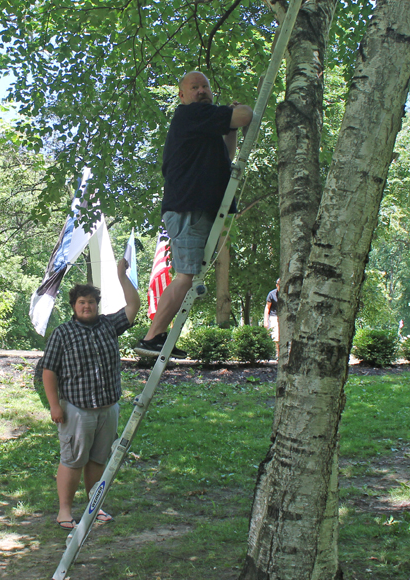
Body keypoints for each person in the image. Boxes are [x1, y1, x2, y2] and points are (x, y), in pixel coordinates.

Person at [135, 71, 253, 358]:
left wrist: (230, 126)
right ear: (182, 95)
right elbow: (246, 115)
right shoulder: (192, 115)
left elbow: (226, 154)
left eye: (205, 86)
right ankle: (152, 338)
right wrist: (236, 113)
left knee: (187, 274)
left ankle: (155, 336)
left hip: (195, 207)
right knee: (185, 276)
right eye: (194, 87)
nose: (201, 91)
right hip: (189, 208)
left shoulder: (204, 124)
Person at [42, 258, 140, 529]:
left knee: (98, 460)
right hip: (77, 410)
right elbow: (48, 371)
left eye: (91, 302)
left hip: (108, 408)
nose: (87, 306)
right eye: (82, 302)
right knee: (73, 460)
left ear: (97, 305)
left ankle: (93, 506)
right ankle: (64, 511)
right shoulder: (63, 333)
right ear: (74, 306)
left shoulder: (109, 325)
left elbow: (134, 306)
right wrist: (55, 406)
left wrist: (122, 276)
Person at [264, 278, 280, 358]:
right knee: (276, 337)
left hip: (284, 317)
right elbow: (267, 307)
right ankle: (278, 355)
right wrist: (265, 320)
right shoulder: (272, 294)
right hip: (274, 316)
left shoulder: (287, 294)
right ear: (277, 285)